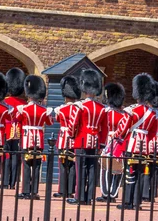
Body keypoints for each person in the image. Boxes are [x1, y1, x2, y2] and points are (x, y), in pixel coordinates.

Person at [114, 73, 158, 210]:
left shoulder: (132, 110)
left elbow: (123, 128)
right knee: (139, 174)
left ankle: (128, 201)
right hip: (144, 146)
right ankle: (136, 202)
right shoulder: (152, 113)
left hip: (132, 144)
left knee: (129, 172)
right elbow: (152, 132)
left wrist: (115, 135)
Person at [68, 69, 107, 206]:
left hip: (81, 140)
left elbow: (72, 125)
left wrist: (72, 137)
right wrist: (101, 145)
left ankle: (80, 196)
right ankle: (89, 197)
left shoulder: (79, 106)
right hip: (95, 141)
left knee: (80, 169)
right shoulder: (102, 108)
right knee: (91, 169)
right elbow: (105, 129)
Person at [15, 75, 53, 200]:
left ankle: (25, 190)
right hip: (39, 139)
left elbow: (16, 120)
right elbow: (50, 123)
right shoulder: (44, 110)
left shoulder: (23, 109)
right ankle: (34, 191)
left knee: (26, 164)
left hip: (27, 139)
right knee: (36, 165)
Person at [97, 82, 128, 203]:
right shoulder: (124, 114)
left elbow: (102, 129)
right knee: (118, 170)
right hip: (120, 144)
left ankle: (106, 193)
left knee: (105, 168)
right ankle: (113, 193)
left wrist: (100, 143)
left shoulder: (107, 113)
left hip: (108, 142)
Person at [53, 75, 81, 199]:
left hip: (64, 138)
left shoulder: (61, 109)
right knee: (72, 165)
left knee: (63, 165)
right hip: (74, 138)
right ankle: (70, 190)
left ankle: (62, 189)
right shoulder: (79, 108)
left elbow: (57, 120)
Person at [3, 68, 27, 189]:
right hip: (19, 131)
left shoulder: (4, 101)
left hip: (6, 130)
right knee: (15, 157)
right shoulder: (23, 103)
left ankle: (5, 181)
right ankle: (13, 182)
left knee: (6, 155)